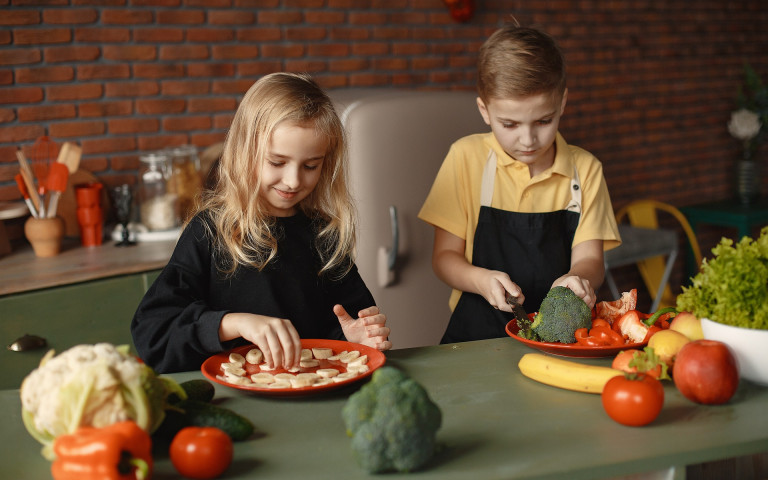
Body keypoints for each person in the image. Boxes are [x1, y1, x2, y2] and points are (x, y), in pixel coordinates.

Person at [132, 72, 391, 373]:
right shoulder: (209, 232)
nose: (294, 180)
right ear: (245, 151)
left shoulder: (324, 236)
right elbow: (153, 333)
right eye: (277, 162)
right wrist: (232, 323)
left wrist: (358, 339)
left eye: (310, 166)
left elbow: (346, 333)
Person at [418, 24, 621, 343]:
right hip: (476, 334)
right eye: (509, 124)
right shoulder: (465, 158)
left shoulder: (586, 170)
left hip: (561, 337)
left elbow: (592, 260)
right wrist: (480, 280)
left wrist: (576, 278)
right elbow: (444, 258)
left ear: (562, 104)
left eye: (543, 121)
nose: (528, 140)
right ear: (484, 110)